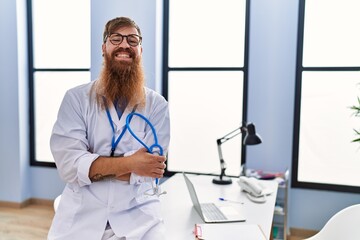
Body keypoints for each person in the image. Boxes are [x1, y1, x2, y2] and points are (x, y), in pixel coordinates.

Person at [48, 16, 170, 240]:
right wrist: (132, 164)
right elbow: (69, 167)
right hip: (81, 216)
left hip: (138, 214)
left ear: (140, 50)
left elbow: (151, 171)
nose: (125, 45)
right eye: (116, 38)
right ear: (104, 47)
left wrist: (92, 167)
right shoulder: (76, 99)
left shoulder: (157, 105)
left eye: (132, 40)